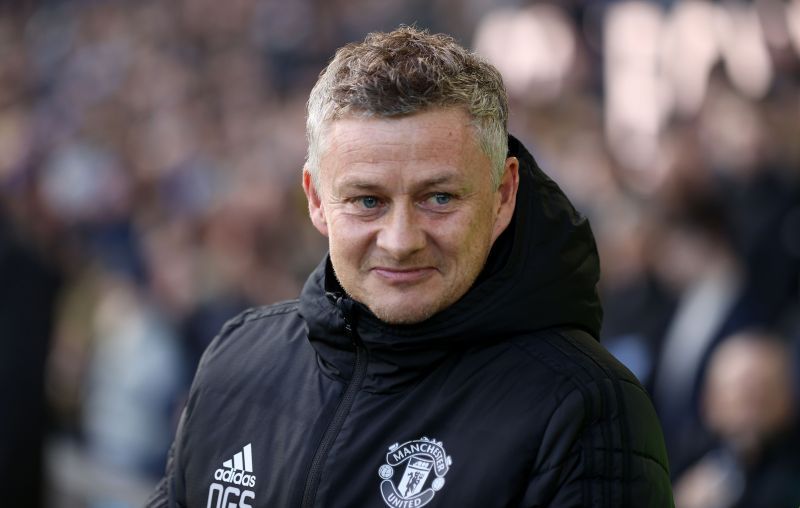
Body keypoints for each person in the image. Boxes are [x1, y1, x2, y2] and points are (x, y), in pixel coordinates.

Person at [147, 26, 673, 507]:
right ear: (315, 199)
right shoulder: (235, 361)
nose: (401, 242)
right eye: (368, 201)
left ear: (504, 193)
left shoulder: (585, 408)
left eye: (439, 198)